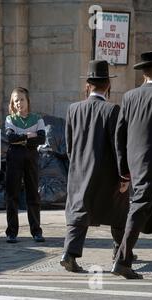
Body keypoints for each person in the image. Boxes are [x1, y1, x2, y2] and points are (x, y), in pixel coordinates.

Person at [60, 60, 130, 272]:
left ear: (88, 85)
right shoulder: (112, 110)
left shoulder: (73, 109)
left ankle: (69, 253)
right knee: (119, 213)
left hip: (79, 172)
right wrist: (124, 176)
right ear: (108, 85)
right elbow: (119, 147)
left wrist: (77, 165)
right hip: (106, 175)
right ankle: (119, 253)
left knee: (78, 214)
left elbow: (69, 145)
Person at [112, 51, 152, 279]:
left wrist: (123, 170)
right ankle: (123, 260)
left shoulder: (129, 97)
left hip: (135, 164)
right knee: (138, 208)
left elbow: (120, 135)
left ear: (143, 73)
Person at [4, 87, 46, 244]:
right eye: (16, 100)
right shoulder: (10, 119)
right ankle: (11, 232)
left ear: (28, 101)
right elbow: (10, 138)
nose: (19, 103)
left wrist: (21, 138)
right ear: (12, 104)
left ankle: (36, 231)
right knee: (12, 194)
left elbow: (41, 139)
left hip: (31, 156)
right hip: (14, 156)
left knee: (33, 194)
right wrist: (28, 136)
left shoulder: (37, 118)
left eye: (22, 99)